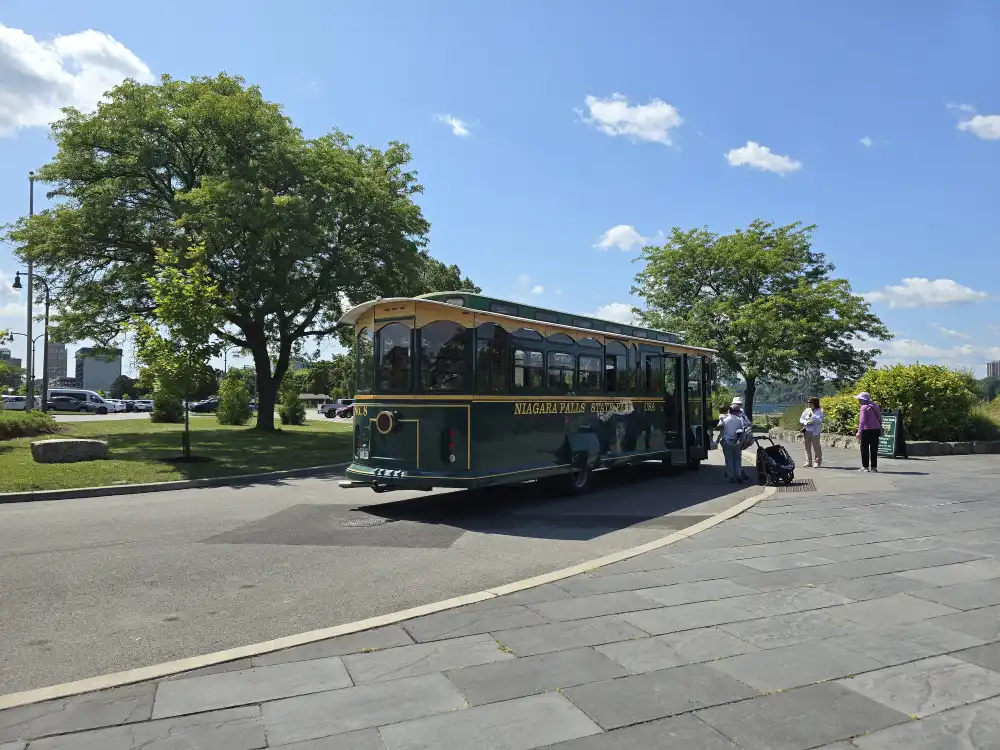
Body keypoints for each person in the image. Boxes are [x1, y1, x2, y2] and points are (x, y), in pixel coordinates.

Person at [717, 405, 746, 483]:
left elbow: (718, 427)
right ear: (737, 412)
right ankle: (738, 474)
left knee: (729, 459)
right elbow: (745, 428)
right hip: (737, 441)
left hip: (727, 441)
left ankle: (731, 477)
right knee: (737, 458)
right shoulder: (740, 420)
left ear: (730, 411)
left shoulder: (725, 419)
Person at [855, 391, 883, 473]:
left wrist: (859, 432)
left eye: (860, 399)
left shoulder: (864, 407)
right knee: (874, 448)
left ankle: (865, 467)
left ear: (863, 400)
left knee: (864, 448)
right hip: (876, 430)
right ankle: (874, 467)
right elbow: (880, 418)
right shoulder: (875, 406)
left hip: (866, 430)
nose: (859, 401)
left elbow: (862, 421)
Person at [798, 397, 825, 468]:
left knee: (816, 447)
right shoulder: (807, 410)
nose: (809, 404)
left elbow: (820, 420)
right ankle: (808, 462)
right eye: (808, 403)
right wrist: (805, 422)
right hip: (807, 431)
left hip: (815, 431)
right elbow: (801, 419)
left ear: (815, 403)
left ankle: (817, 462)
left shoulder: (820, 410)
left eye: (810, 403)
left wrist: (813, 420)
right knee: (807, 447)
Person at [730, 396, 752, 479]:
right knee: (738, 457)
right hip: (739, 436)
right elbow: (747, 423)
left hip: (729, 437)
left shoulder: (729, 412)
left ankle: (731, 472)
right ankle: (739, 473)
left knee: (731, 456)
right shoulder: (741, 413)